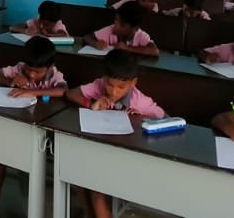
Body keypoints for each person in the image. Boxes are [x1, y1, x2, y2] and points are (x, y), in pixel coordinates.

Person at [66, 50, 165, 218]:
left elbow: (165, 120)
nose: (113, 92)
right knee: (78, 177)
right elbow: (70, 93)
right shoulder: (98, 86)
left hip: (126, 156)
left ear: (133, 83)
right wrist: (91, 103)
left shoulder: (139, 101)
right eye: (110, 85)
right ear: (104, 79)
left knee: (96, 194)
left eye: (121, 87)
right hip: (100, 150)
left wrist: (141, 119)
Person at [0, 36, 67, 217]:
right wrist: (11, 82)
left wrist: (31, 91)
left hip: (41, 132)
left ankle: (33, 209)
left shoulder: (54, 74)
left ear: (50, 67)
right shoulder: (19, 68)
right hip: (14, 126)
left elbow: (62, 90)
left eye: (38, 72)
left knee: (30, 169)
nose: (32, 75)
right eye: (29, 70)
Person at [84, 3, 159, 57]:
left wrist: (127, 48)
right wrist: (95, 43)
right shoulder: (111, 29)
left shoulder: (141, 35)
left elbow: (155, 51)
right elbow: (87, 37)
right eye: (116, 20)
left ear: (135, 28)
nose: (116, 25)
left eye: (122, 25)